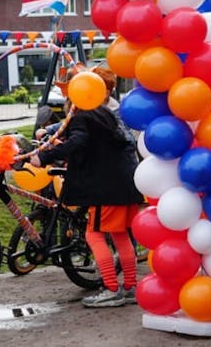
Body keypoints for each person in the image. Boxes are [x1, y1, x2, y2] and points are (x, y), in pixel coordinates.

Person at [29, 66, 142, 307]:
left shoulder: (83, 115)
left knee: (94, 234)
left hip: (107, 187)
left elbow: (78, 141)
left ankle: (111, 288)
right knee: (120, 235)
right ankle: (130, 287)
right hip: (125, 182)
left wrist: (43, 157)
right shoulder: (103, 113)